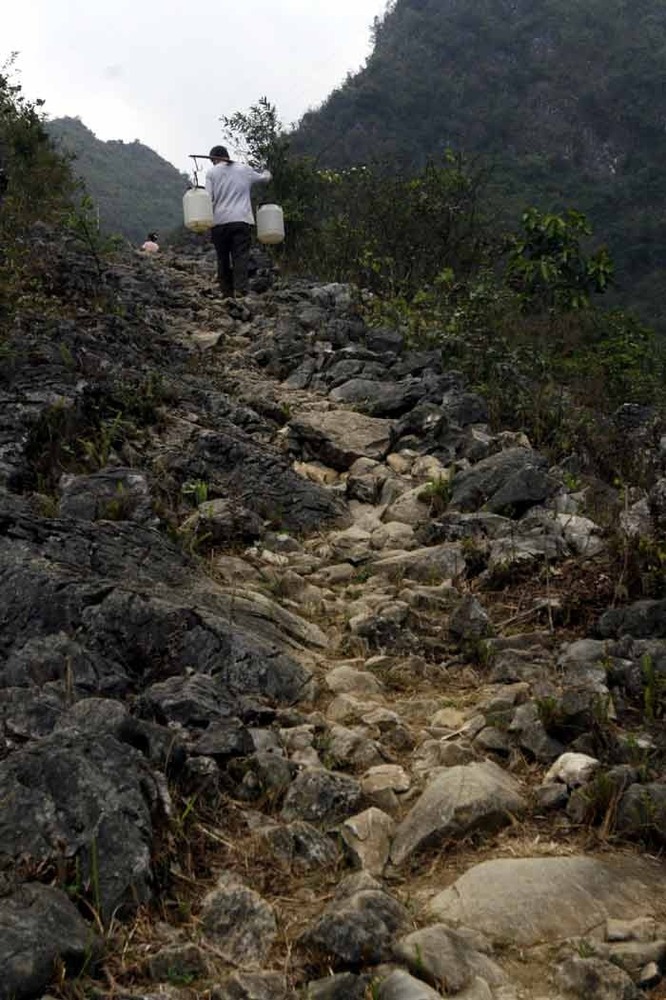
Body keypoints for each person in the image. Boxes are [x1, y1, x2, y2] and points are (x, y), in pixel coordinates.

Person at [205, 144, 271, 298]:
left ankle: (226, 292)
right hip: (241, 220)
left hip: (219, 222)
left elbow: (208, 198)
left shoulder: (211, 172)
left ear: (214, 158)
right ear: (226, 155)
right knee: (240, 255)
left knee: (222, 258)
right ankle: (240, 290)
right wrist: (268, 172)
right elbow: (264, 178)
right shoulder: (244, 169)